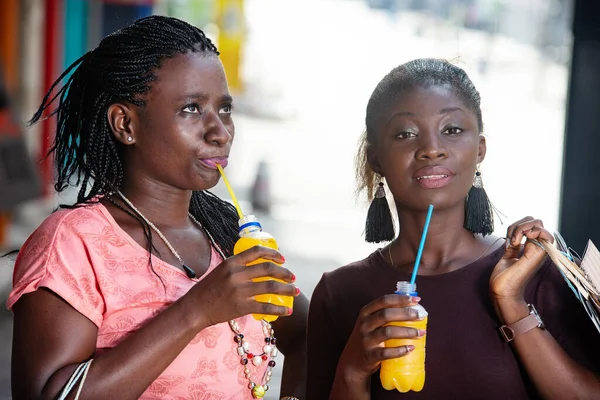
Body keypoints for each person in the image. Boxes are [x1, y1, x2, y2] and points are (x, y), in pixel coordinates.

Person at [8, 16, 308, 400]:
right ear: (125, 124)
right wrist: (196, 309)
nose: (221, 131)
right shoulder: (72, 244)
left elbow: (305, 336)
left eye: (225, 109)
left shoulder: (226, 232)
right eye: (191, 109)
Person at [306, 58, 600, 399]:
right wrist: (353, 371)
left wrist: (512, 303)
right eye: (405, 134)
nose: (431, 149)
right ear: (376, 160)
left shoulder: (534, 272)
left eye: (452, 130)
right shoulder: (338, 293)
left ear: (480, 149)